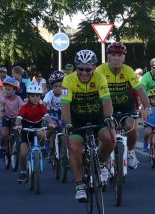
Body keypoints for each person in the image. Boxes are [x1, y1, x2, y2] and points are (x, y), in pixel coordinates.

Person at [62, 49, 114, 202]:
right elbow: (65, 105)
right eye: (80, 69)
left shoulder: (100, 78)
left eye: (88, 69)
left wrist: (108, 118)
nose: (84, 73)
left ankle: (102, 163)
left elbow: (106, 101)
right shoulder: (69, 80)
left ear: (94, 68)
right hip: (76, 119)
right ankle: (79, 185)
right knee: (74, 146)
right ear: (76, 67)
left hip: (97, 117)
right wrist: (69, 124)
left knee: (110, 137)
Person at [96, 42, 151, 170]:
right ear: (108, 56)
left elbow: (139, 90)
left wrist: (146, 107)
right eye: (113, 55)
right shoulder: (100, 70)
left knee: (131, 127)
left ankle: (131, 152)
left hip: (126, 107)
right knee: (105, 136)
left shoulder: (128, 70)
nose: (116, 58)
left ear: (124, 58)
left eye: (120, 55)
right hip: (106, 108)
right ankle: (102, 164)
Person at [15, 84, 55, 183]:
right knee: (23, 153)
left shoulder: (41, 107)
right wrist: (17, 125)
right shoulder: (25, 107)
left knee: (41, 134)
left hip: (37, 129)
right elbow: (19, 117)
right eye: (32, 96)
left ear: (40, 96)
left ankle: (42, 148)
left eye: (37, 96)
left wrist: (51, 123)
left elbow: (46, 116)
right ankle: (23, 172)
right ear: (28, 97)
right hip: (26, 131)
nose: (35, 98)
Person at [0, 77, 24, 160]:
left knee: (19, 133)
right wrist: (0, 106)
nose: (7, 91)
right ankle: (1, 147)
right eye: (6, 89)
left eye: (9, 89)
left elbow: (22, 107)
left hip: (16, 119)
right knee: (4, 134)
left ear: (14, 90)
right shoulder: (4, 98)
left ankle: (16, 147)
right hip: (6, 118)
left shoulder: (18, 98)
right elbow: (0, 102)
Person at [43, 71, 64, 158]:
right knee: (52, 127)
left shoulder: (65, 92)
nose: (58, 88)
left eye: (60, 86)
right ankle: (48, 141)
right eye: (56, 86)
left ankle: (66, 152)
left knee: (66, 129)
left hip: (63, 113)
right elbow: (44, 103)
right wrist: (43, 112)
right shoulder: (49, 94)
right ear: (52, 87)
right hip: (51, 114)